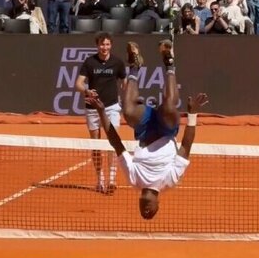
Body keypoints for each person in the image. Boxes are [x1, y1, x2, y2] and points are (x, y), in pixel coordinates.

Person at [86, 39, 209, 219]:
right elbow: (186, 147)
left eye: (143, 213)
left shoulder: (134, 180)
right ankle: (169, 63)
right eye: (151, 212)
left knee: (128, 111)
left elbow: (116, 143)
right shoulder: (169, 181)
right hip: (166, 130)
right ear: (159, 204)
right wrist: (192, 115)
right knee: (169, 106)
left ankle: (135, 66)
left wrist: (101, 111)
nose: (146, 211)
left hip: (144, 131)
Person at [75, 32, 127, 194]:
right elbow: (78, 84)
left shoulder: (117, 62)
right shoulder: (89, 62)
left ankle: (112, 179)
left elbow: (124, 81)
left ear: (111, 45)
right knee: (96, 145)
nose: (105, 47)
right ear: (97, 45)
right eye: (102, 44)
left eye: (107, 44)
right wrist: (87, 91)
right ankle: (100, 179)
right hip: (92, 108)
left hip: (111, 107)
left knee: (113, 142)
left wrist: (127, 85)